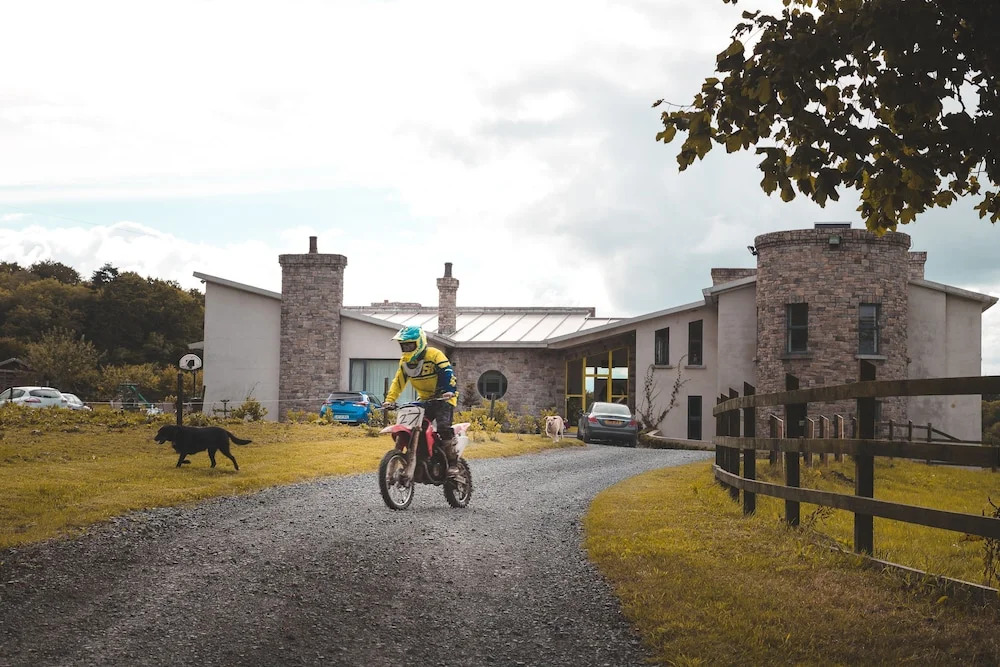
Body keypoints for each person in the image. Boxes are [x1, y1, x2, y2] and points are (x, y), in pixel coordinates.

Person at [382, 326, 461, 478]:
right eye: (404, 345)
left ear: (419, 343)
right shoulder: (405, 362)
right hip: (425, 400)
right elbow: (398, 381)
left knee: (443, 427)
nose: (406, 348)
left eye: (409, 345)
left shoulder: (434, 355)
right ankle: (422, 455)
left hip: (443, 398)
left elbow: (448, 373)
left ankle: (453, 464)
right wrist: (390, 400)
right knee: (412, 426)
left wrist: (448, 390)